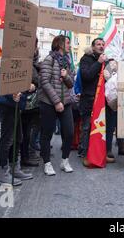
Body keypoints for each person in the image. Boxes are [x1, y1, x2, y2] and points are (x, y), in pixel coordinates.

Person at [38, 35, 75, 175]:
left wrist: (66, 76)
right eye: (67, 43)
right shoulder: (49, 59)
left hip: (66, 103)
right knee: (47, 133)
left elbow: (70, 84)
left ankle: (65, 160)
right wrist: (56, 101)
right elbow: (45, 82)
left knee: (69, 132)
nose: (69, 45)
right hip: (48, 103)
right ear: (59, 44)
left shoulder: (67, 61)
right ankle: (47, 163)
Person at [79, 38, 107, 168]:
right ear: (93, 47)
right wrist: (98, 63)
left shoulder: (106, 61)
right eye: (98, 44)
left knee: (100, 128)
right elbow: (87, 76)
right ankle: (85, 154)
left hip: (101, 100)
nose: (101, 46)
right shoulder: (86, 59)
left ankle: (100, 153)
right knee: (87, 127)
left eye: (103, 44)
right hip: (89, 99)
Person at [0, 91, 32, 186]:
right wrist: (11, 94)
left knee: (17, 137)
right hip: (7, 102)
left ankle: (14, 168)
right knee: (7, 139)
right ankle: (3, 173)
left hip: (14, 102)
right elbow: (5, 83)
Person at [20, 41, 41, 167]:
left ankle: (25, 157)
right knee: (20, 134)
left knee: (27, 132)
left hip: (30, 104)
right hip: (18, 102)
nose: (34, 48)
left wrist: (36, 84)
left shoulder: (34, 63)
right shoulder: (22, 61)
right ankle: (16, 161)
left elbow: (37, 81)